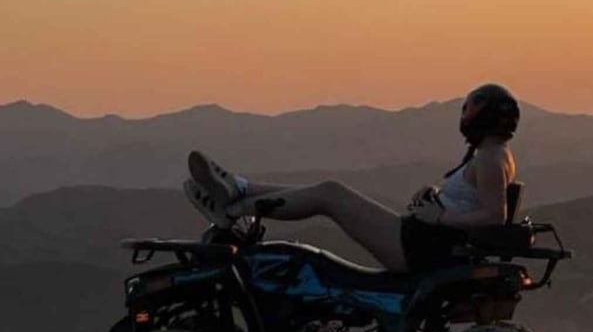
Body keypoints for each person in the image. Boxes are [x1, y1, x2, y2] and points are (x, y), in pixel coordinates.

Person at [181, 83, 520, 273]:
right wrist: (435, 194)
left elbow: (494, 216)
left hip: (418, 246)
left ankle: (235, 207)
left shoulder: (490, 158)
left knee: (329, 194)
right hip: (419, 239)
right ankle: (239, 189)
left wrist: (439, 217)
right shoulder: (491, 154)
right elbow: (472, 199)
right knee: (327, 191)